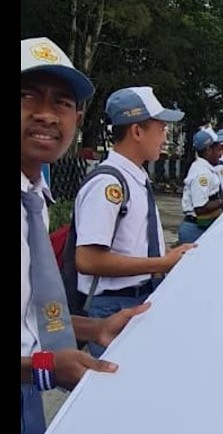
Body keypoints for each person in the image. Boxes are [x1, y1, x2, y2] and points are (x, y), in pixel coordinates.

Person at [21, 37, 150, 434]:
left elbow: (29, 314)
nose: (46, 115)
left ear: (76, 118)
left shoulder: (33, 198)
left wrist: (94, 329)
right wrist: (44, 369)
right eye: (28, 97)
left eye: (62, 103)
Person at [73, 86, 196, 357]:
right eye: (161, 128)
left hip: (135, 296)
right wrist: (162, 263)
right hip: (111, 305)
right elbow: (88, 260)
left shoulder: (135, 178)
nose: (165, 137)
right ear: (137, 131)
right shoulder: (109, 184)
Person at [178, 129, 223, 244]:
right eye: (218, 149)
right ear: (208, 150)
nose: (220, 154)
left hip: (202, 226)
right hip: (195, 229)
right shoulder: (202, 174)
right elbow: (200, 207)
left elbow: (217, 192)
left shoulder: (207, 169)